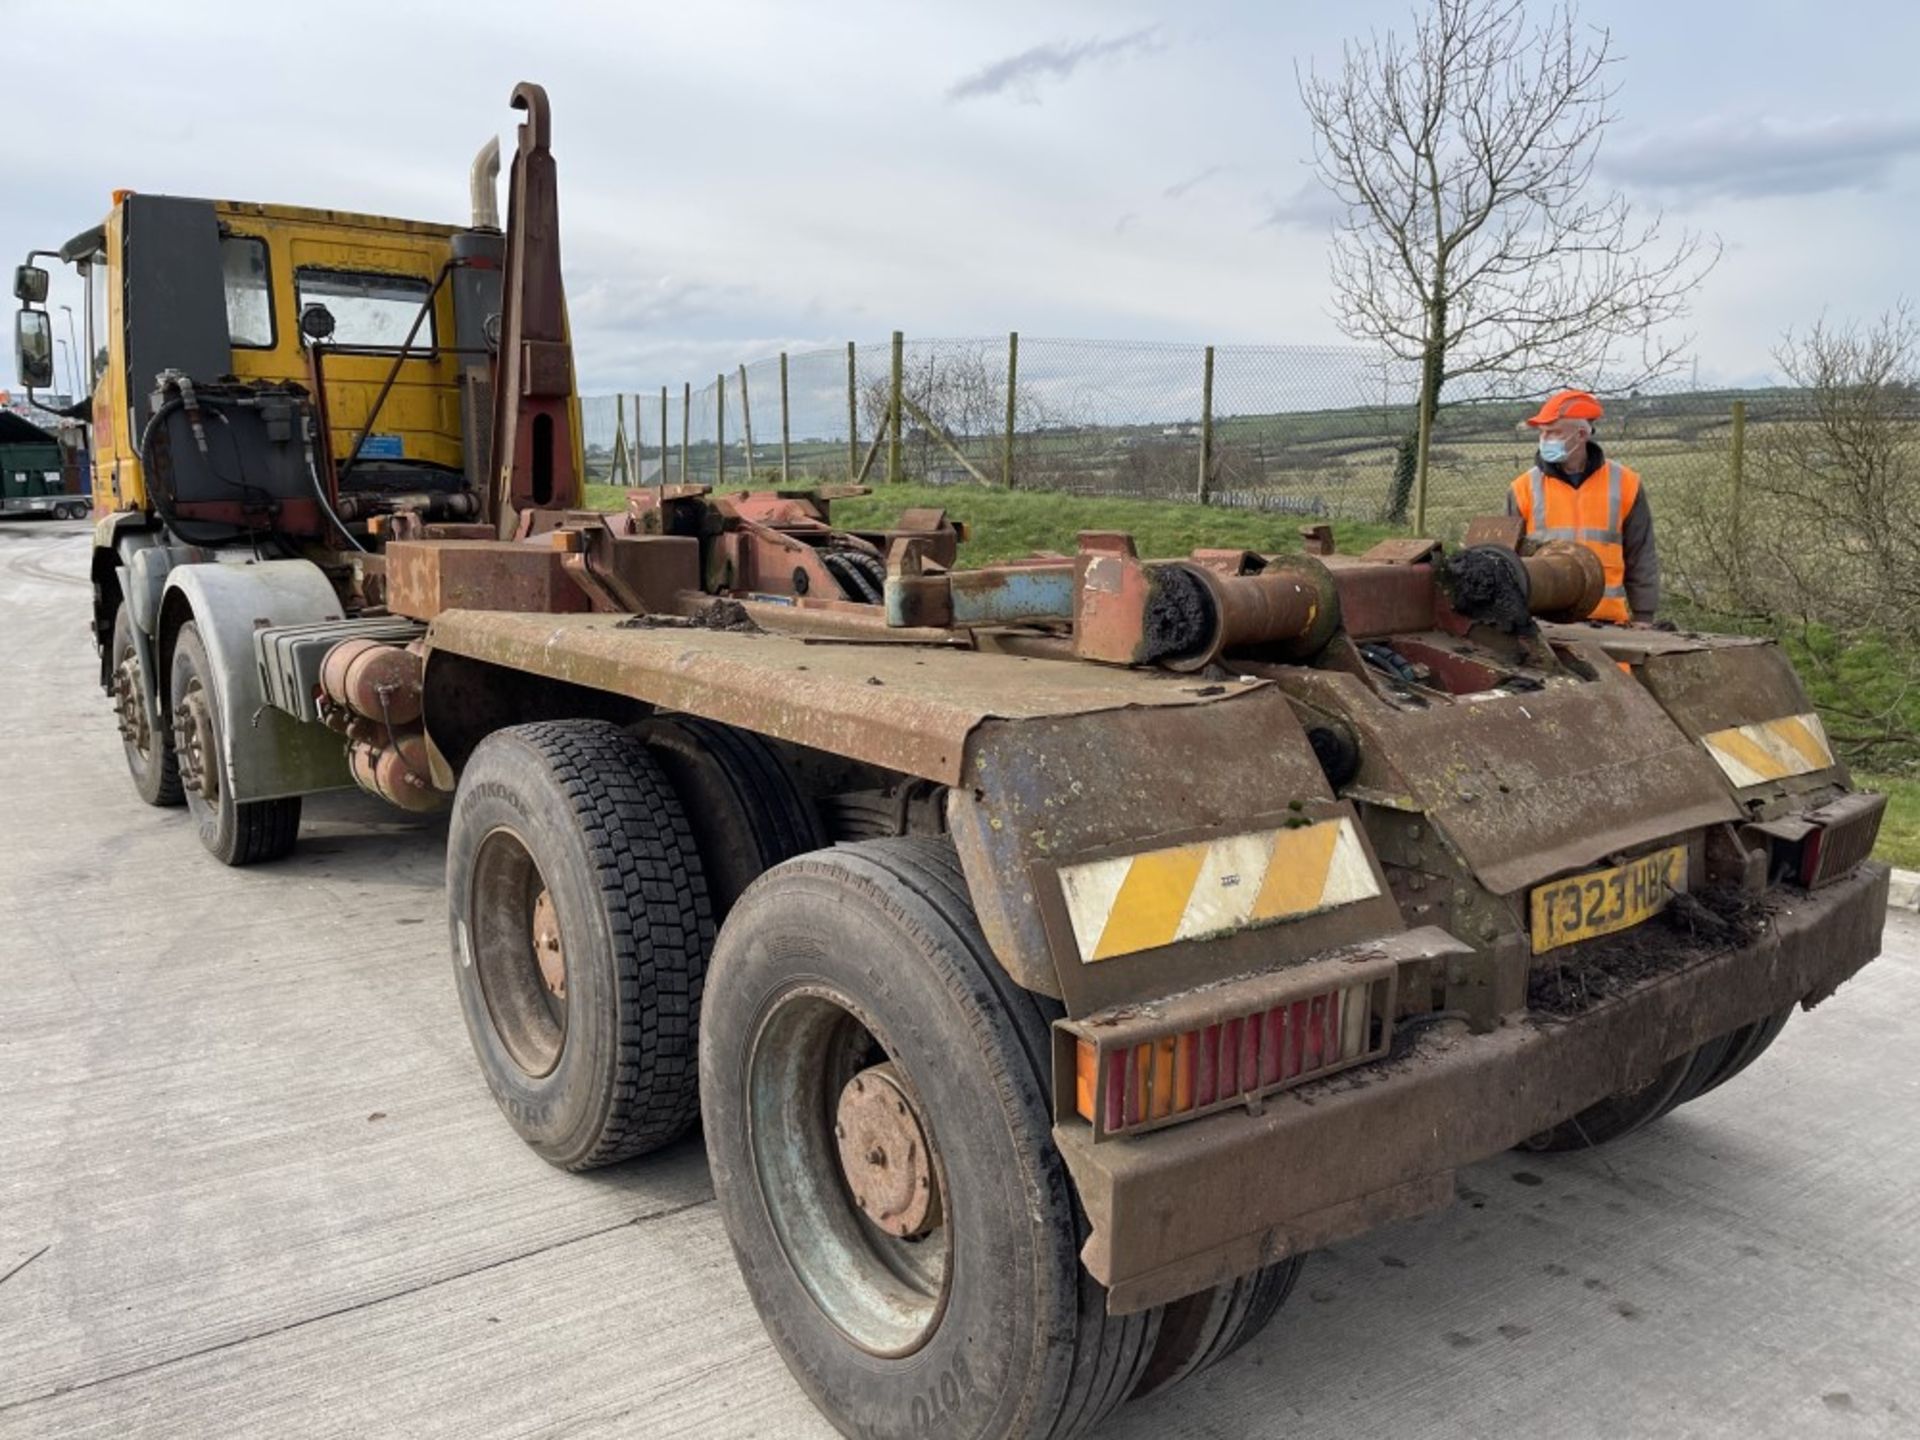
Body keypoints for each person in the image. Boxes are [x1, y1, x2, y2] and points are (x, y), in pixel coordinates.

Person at [1505, 389, 1659, 625]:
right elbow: (1507, 560)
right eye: (1543, 433)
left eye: (1554, 432)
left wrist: (1644, 616)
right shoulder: (1522, 488)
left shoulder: (1626, 484)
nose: (1545, 439)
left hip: (1609, 623)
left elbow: (1641, 556)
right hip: (1544, 625)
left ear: (1581, 435)